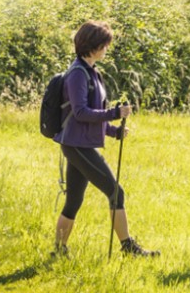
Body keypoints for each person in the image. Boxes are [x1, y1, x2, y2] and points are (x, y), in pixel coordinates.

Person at [52, 20, 157, 258]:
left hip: (81, 142)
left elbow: (89, 115)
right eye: (104, 44)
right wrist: (114, 114)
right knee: (115, 192)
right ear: (93, 45)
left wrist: (113, 131)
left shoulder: (91, 71)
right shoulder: (78, 74)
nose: (106, 48)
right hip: (77, 145)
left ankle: (58, 251)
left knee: (74, 200)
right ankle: (128, 247)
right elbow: (80, 113)